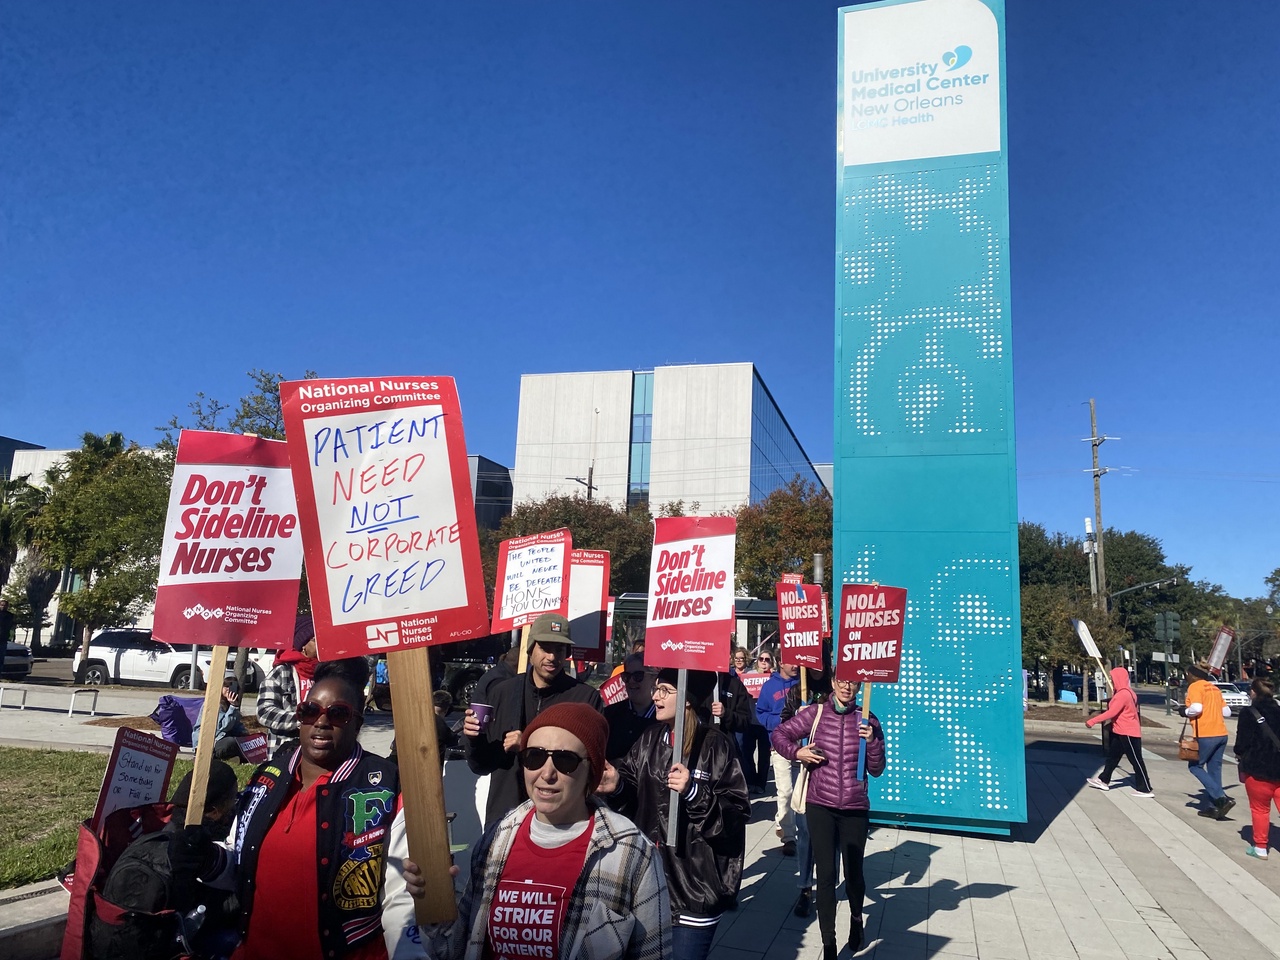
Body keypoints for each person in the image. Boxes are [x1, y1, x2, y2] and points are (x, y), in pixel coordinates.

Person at [419, 702, 672, 959]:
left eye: (565, 760)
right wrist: (433, 903)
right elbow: (452, 951)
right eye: (534, 756)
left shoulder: (629, 851)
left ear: (591, 772)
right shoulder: (496, 839)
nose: (547, 773)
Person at [209, 657, 422, 959]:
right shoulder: (267, 779)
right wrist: (207, 859)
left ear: (358, 722)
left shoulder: (386, 787)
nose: (321, 721)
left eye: (338, 713)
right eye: (310, 711)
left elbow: (400, 901)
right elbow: (239, 862)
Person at [601, 669, 750, 960]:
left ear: (687, 701)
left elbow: (735, 818)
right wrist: (616, 785)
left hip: (694, 889)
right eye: (656, 689)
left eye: (665, 690)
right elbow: (633, 795)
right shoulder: (650, 739)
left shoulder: (716, 746)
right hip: (648, 886)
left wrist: (695, 793)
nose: (655, 695)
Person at [772, 677, 886, 960]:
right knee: (825, 876)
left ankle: (857, 920)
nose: (847, 688)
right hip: (820, 804)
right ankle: (829, 944)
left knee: (854, 874)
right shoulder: (816, 713)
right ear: (833, 682)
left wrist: (871, 741)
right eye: (842, 681)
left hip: (855, 807)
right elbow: (779, 735)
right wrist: (798, 752)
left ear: (860, 689)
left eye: (854, 684)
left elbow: (877, 768)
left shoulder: (868, 719)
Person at [89, 762, 240, 960]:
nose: (235, 806)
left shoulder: (155, 836)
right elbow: (212, 910)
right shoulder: (193, 850)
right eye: (233, 800)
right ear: (214, 810)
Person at [464, 613, 603, 827]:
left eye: (559, 649)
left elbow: (591, 766)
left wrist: (528, 745)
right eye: (545, 648)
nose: (552, 657)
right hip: (505, 820)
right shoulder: (502, 692)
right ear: (530, 650)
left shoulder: (585, 698)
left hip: (562, 823)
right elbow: (481, 765)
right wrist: (473, 738)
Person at [778, 668, 831, 918]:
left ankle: (827, 887)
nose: (817, 669)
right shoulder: (797, 690)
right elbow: (783, 727)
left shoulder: (834, 692)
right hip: (809, 771)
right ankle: (805, 889)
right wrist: (797, 720)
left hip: (833, 774)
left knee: (832, 840)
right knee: (806, 834)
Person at [1084, 667, 1153, 797]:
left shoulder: (1123, 695)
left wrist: (1093, 721)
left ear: (1119, 679)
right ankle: (1103, 780)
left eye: (1113, 678)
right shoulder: (1129, 693)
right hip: (1121, 730)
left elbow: (1112, 712)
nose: (1112, 680)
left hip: (1128, 732)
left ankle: (1145, 788)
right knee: (1113, 757)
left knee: (1136, 760)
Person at [256, 615, 320, 755]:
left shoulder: (325, 674)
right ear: (303, 645)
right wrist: (301, 719)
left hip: (317, 750)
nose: (321, 645)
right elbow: (264, 712)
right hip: (284, 750)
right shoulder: (281, 672)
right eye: (316, 640)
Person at [1181, 661, 1236, 819]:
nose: (1187, 677)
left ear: (1194, 675)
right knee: (1214, 770)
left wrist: (1185, 711)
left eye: (1188, 674)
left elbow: (1197, 709)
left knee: (1195, 766)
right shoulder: (1214, 688)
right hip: (1221, 733)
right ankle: (1214, 808)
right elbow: (1226, 712)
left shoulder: (1195, 687)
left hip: (1205, 734)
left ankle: (1221, 798)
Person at [757, 660, 801, 854]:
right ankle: (788, 836)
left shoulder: (804, 683)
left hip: (803, 744)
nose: (796, 666)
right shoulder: (769, 686)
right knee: (785, 791)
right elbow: (760, 714)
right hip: (780, 744)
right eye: (792, 662)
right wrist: (780, 720)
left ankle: (796, 827)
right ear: (781, 663)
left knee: (802, 791)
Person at [1234, 676, 1280, 859]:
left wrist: (1240, 754)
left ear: (1253, 691)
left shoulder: (1248, 712)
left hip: (1258, 767)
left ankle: (1260, 847)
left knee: (1260, 809)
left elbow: (1241, 742)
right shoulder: (1279, 710)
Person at [604, 652, 659, 759]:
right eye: (627, 676)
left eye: (638, 676)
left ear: (654, 679)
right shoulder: (610, 715)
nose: (631, 681)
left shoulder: (663, 719)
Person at [193, 677, 249, 761]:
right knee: (231, 742)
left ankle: (234, 757)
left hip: (222, 738)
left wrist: (246, 735)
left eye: (232, 687)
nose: (228, 689)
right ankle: (213, 756)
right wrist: (233, 707)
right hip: (208, 742)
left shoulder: (231, 703)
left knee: (246, 742)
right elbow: (223, 727)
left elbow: (236, 726)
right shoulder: (214, 703)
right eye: (226, 686)